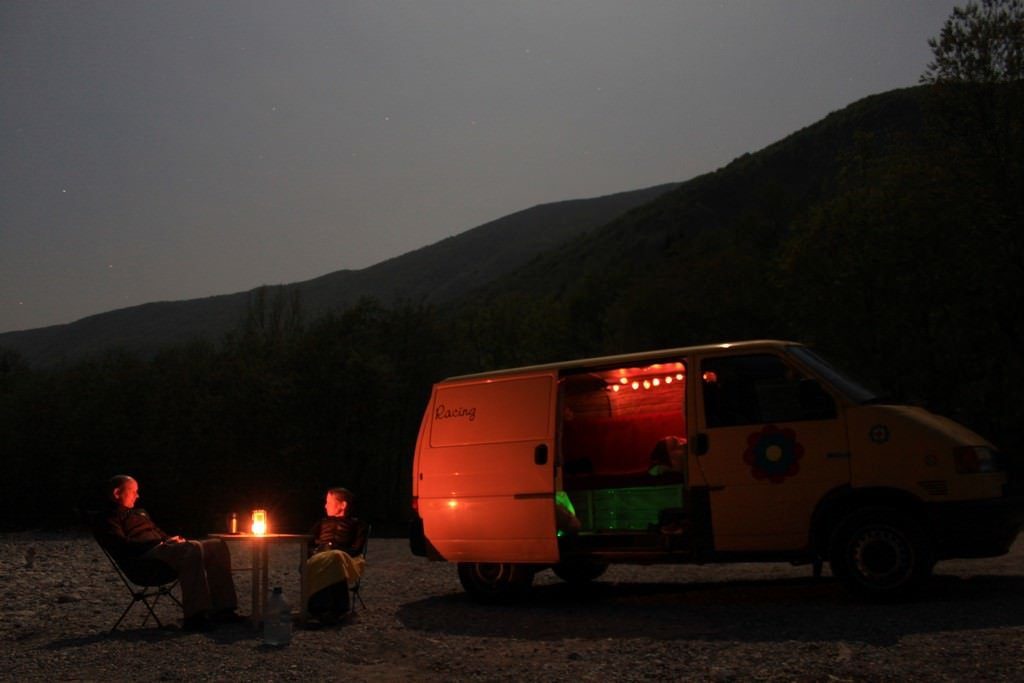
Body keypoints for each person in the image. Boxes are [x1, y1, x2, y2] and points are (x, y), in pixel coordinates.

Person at [94, 474, 241, 632]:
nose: (137, 495)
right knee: (191, 548)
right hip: (145, 559)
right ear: (117, 493)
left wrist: (171, 540)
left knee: (216, 546)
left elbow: (158, 533)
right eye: (133, 491)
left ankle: (224, 610)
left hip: (164, 549)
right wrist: (161, 543)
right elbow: (122, 545)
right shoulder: (107, 518)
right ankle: (196, 617)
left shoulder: (138, 514)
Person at [302, 487, 367, 625]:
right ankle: (338, 610)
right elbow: (307, 542)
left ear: (342, 505)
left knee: (336, 558)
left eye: (329, 502)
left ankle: (319, 609)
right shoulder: (322, 523)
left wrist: (334, 550)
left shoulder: (356, 524)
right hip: (320, 557)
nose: (325, 506)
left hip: (344, 560)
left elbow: (357, 549)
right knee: (330, 560)